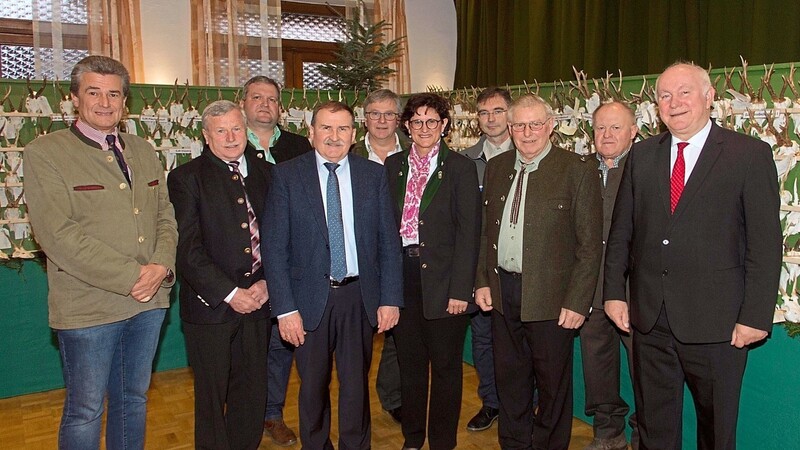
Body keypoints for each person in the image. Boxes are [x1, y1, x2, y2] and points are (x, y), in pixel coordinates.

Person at [604, 62, 782, 450]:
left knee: (716, 432)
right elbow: (622, 233)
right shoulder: (642, 156)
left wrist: (755, 316)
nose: (674, 103)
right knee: (653, 428)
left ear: (709, 97)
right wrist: (615, 292)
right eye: (665, 95)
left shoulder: (748, 155)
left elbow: (766, 245)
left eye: (684, 92)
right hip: (650, 321)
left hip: (718, 325)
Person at [23, 55, 178, 449]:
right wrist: (133, 277)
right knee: (85, 409)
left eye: (114, 94)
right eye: (94, 92)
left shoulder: (143, 150)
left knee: (133, 401)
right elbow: (56, 235)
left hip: (148, 304)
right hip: (88, 308)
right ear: (74, 98)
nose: (105, 102)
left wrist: (161, 266)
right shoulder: (45, 153)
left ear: (125, 102)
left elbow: (165, 216)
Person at [263, 101, 403, 449]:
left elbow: (389, 241)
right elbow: (275, 249)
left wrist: (390, 299)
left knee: (356, 386)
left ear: (353, 135)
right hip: (308, 301)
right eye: (326, 127)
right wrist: (284, 309)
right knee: (312, 389)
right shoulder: (287, 176)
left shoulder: (372, 175)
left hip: (359, 297)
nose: (334, 136)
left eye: (342, 129)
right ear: (311, 132)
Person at [475, 94, 602, 450]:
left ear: (550, 126)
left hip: (553, 299)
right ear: (510, 128)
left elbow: (590, 246)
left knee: (552, 385)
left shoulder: (577, 170)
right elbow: (486, 232)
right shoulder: (498, 167)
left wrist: (577, 302)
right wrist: (482, 281)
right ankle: (514, 444)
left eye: (535, 124)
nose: (527, 133)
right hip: (503, 294)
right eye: (519, 125)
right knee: (510, 380)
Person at [167, 100, 272, 450]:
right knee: (212, 398)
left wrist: (267, 282)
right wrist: (230, 293)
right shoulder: (186, 178)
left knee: (252, 390)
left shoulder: (267, 173)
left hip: (260, 301)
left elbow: (281, 235)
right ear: (206, 136)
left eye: (236, 128)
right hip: (210, 309)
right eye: (221, 131)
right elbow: (187, 249)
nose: (230, 137)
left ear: (247, 131)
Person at [385, 92, 481, 450]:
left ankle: (442, 441)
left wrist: (462, 290)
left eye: (432, 121)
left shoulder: (459, 168)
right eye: (416, 121)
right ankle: (412, 437)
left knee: (444, 367)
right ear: (407, 126)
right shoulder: (392, 166)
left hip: (446, 282)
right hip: (403, 279)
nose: (424, 128)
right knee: (410, 366)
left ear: (444, 126)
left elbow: (469, 232)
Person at [240, 75, 311, 446]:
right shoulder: (232, 144)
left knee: (283, 345)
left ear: (280, 106)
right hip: (247, 268)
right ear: (243, 103)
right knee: (250, 350)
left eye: (271, 98)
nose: (265, 104)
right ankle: (245, 414)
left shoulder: (301, 146)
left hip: (296, 264)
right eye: (257, 97)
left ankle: (272, 414)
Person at [580, 101, 638, 450]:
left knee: (645, 371)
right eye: (601, 128)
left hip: (634, 293)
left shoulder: (648, 168)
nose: (607, 135)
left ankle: (644, 435)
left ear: (633, 131)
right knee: (596, 368)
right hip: (590, 291)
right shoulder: (581, 169)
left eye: (616, 127)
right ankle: (608, 433)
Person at [351, 88, 410, 424]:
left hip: (406, 256)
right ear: (365, 118)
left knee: (399, 333)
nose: (382, 120)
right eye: (375, 113)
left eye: (389, 114)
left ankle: (393, 396)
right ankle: (355, 406)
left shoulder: (418, 150)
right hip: (363, 260)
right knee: (358, 339)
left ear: (398, 118)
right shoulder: (350, 154)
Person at [461, 87, 514, 432]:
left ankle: (525, 403)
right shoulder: (463, 162)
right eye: (484, 112)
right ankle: (491, 402)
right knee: (483, 339)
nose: (491, 118)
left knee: (520, 340)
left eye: (497, 111)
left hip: (519, 265)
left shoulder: (531, 150)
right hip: (480, 266)